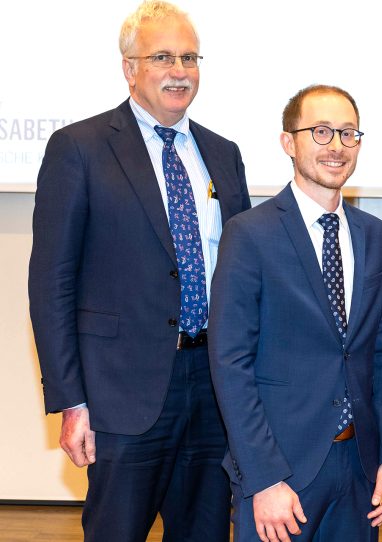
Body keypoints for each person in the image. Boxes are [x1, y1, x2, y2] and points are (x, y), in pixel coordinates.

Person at [28, 1, 251, 540]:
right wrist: (71, 401)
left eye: (190, 57)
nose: (180, 70)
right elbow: (51, 284)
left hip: (214, 391)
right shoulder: (78, 149)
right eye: (163, 57)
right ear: (129, 68)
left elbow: (244, 279)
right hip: (120, 394)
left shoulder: (223, 154)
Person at [208, 84, 382, 542]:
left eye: (348, 133)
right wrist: (264, 478)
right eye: (320, 132)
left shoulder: (374, 236)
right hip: (280, 474)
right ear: (288, 142)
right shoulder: (249, 235)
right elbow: (230, 364)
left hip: (359, 470)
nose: (336, 146)